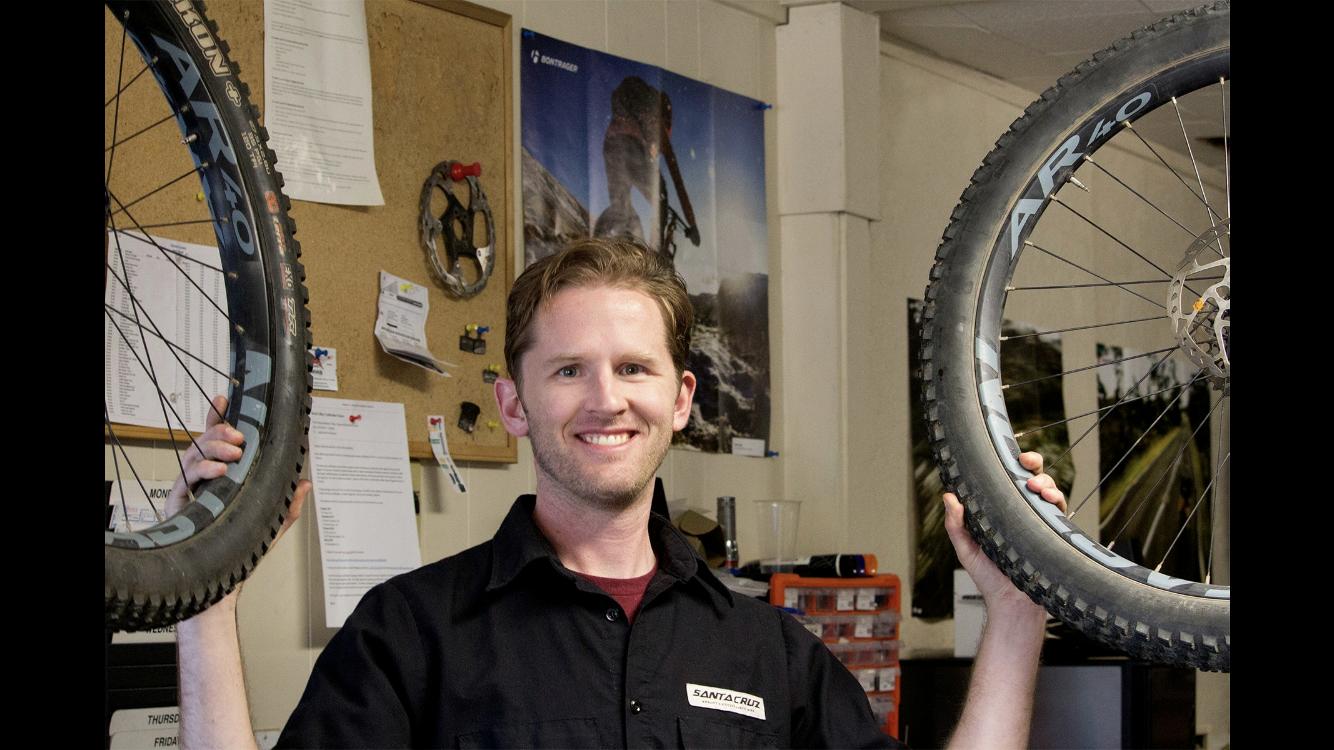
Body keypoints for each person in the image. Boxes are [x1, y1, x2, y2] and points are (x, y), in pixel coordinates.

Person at [171, 237, 1067, 749]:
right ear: (515, 404)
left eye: (634, 367)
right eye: (569, 370)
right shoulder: (410, 632)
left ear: (680, 400)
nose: (606, 399)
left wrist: (1016, 614)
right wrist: (206, 592)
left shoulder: (769, 653)